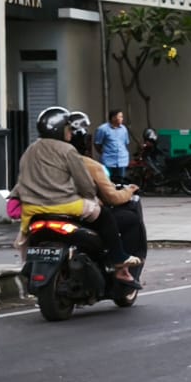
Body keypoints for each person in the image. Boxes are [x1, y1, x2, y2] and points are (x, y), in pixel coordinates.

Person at [15, 106, 138, 282]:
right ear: (59, 129)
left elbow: (22, 179)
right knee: (105, 216)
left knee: (25, 236)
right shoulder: (67, 150)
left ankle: (28, 265)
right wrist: (91, 196)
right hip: (65, 205)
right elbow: (84, 183)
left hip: (32, 209)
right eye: (68, 128)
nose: (70, 133)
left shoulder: (30, 150)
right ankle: (118, 257)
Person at [68, 111, 147, 270]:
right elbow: (111, 197)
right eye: (118, 116)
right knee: (121, 218)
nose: (120, 119)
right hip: (77, 211)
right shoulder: (87, 165)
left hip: (40, 210)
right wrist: (130, 190)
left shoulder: (35, 159)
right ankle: (120, 263)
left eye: (122, 117)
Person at [93, 110, 131, 185]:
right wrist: (103, 153)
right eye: (120, 116)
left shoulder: (124, 129)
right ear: (113, 118)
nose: (122, 118)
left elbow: (126, 142)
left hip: (122, 159)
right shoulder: (102, 129)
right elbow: (97, 143)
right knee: (108, 181)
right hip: (108, 160)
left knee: (120, 182)